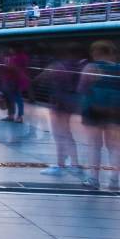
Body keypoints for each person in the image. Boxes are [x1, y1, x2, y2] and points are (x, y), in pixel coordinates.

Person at [33, 46, 82, 176]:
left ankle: (60, 165)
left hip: (58, 103)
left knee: (59, 134)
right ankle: (74, 164)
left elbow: (39, 79)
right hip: (71, 102)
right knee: (67, 133)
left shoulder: (56, 65)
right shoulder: (77, 65)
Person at [79, 41, 120, 190]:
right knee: (114, 147)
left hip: (93, 111)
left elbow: (82, 88)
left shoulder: (91, 67)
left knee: (94, 146)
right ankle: (115, 180)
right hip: (115, 112)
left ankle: (93, 180)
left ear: (96, 52)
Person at [0, 44, 29, 123]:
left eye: (11, 48)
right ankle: (11, 115)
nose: (9, 50)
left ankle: (19, 116)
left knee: (17, 98)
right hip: (9, 80)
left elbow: (14, 68)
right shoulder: (13, 57)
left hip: (15, 80)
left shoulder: (20, 57)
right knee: (11, 98)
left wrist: (8, 66)